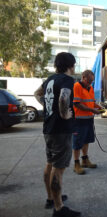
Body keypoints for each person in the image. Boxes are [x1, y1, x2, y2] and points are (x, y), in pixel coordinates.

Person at [34, 52, 81, 217]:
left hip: (48, 128)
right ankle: (59, 208)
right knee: (58, 169)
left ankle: (51, 198)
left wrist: (48, 108)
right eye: (74, 64)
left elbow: (37, 93)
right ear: (71, 65)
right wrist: (63, 114)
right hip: (61, 130)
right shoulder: (68, 80)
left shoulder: (50, 79)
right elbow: (63, 99)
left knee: (50, 163)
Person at [72, 70, 104, 175]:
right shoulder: (77, 86)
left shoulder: (90, 88)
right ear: (83, 77)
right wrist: (92, 110)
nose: (90, 83)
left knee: (86, 140)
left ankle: (84, 160)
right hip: (78, 120)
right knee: (77, 142)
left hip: (89, 119)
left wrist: (99, 107)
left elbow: (92, 102)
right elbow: (77, 104)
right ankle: (76, 164)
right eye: (89, 81)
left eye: (92, 81)